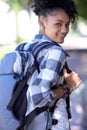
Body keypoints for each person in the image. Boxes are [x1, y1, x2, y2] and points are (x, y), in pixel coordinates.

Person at [24, 0, 82, 130]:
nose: (64, 30)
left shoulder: (24, 47)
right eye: (58, 24)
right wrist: (68, 86)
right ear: (41, 22)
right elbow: (39, 97)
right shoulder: (55, 52)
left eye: (67, 24)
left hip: (23, 123)